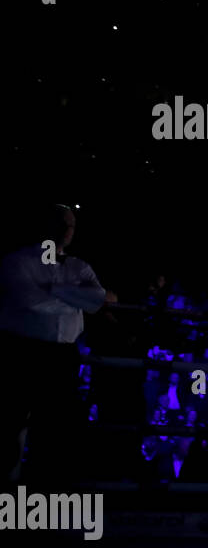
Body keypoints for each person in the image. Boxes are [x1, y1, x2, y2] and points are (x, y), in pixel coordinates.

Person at [0, 204, 116, 486]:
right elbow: (30, 302)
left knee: (55, 427)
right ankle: (6, 486)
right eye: (61, 223)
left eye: (71, 225)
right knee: (11, 421)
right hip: (22, 351)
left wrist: (55, 292)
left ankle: (43, 489)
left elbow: (99, 299)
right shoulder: (17, 261)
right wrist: (76, 299)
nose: (67, 230)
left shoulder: (80, 266)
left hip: (63, 355)